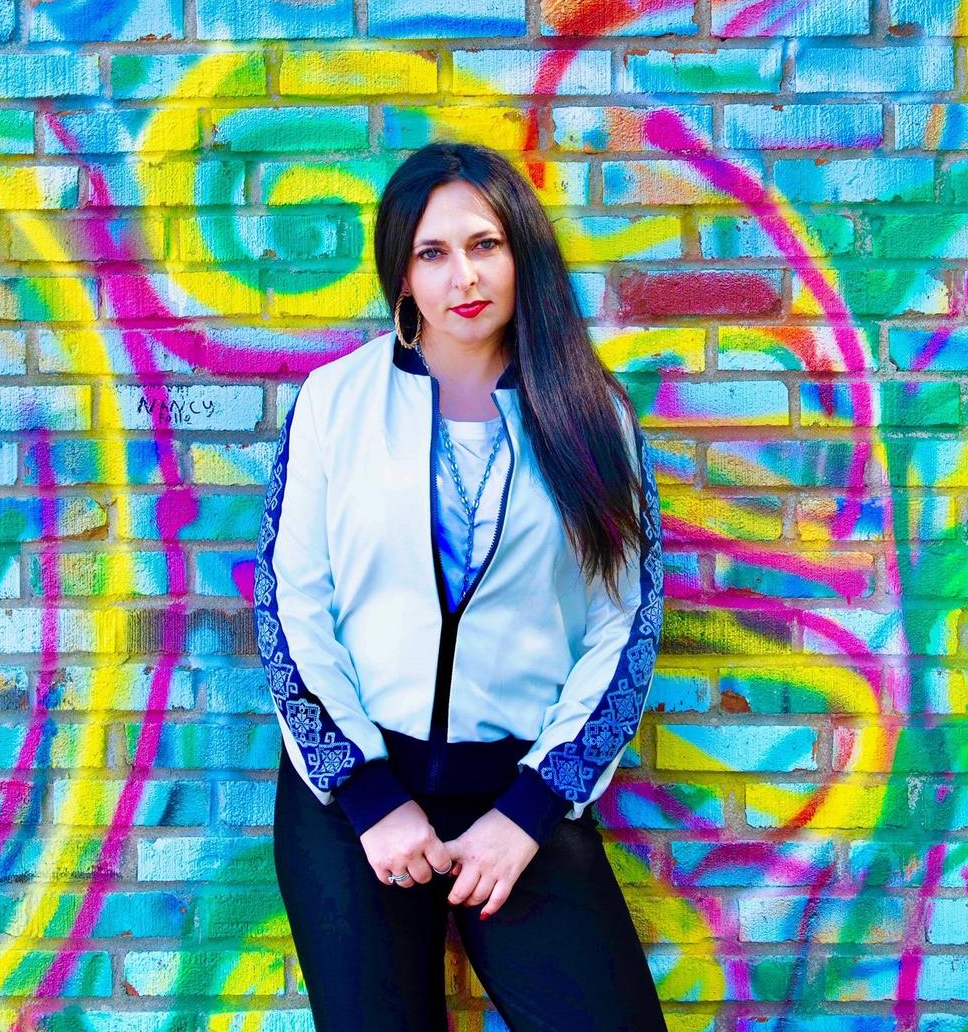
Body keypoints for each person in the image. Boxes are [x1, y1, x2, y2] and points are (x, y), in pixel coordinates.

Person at [251, 140, 667, 1031]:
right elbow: (290, 608)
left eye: (485, 245)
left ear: (522, 253)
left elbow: (625, 628)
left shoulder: (592, 415)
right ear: (401, 274)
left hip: (520, 797)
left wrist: (532, 809)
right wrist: (366, 794)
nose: (463, 277)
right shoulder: (333, 403)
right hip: (353, 806)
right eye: (432, 253)